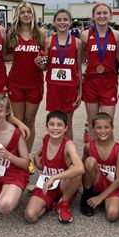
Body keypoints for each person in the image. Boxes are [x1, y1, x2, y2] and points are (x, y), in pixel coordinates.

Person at [24, 111, 84, 224]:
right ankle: (51, 203)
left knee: (75, 171)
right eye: (51, 124)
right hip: (46, 184)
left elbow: (80, 168)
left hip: (63, 184)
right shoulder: (46, 138)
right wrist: (37, 158)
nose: (55, 128)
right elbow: (40, 152)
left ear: (66, 128)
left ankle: (63, 202)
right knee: (30, 216)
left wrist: (54, 178)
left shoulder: (68, 144)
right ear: (46, 127)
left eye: (59, 125)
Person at [7, 1, 46, 155]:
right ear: (18, 14)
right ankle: (17, 154)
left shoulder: (40, 34)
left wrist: (42, 64)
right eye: (22, 12)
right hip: (15, 83)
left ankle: (26, 156)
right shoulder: (12, 34)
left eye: (28, 12)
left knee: (29, 121)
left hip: (34, 84)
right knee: (18, 120)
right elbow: (5, 55)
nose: (25, 15)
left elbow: (45, 62)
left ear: (33, 14)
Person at [80, 2, 119, 138]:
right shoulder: (85, 35)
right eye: (98, 13)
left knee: (107, 125)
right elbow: (79, 60)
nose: (102, 16)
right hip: (91, 83)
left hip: (109, 83)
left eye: (105, 13)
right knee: (93, 124)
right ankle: (93, 156)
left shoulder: (116, 35)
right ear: (93, 16)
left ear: (110, 15)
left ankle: (108, 158)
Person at [80, 112, 119, 222]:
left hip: (112, 186)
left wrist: (101, 197)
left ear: (112, 128)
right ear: (93, 129)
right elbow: (82, 167)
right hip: (95, 183)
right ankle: (86, 196)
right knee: (90, 161)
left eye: (106, 127)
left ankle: (110, 200)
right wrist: (78, 184)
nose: (103, 131)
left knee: (113, 215)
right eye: (99, 127)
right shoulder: (88, 147)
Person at [45, 9, 82, 139]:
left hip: (70, 86)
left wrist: (80, 90)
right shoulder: (48, 41)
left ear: (70, 22)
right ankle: (54, 154)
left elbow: (78, 68)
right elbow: (45, 66)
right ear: (54, 22)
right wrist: (39, 62)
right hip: (54, 86)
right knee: (54, 122)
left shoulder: (77, 42)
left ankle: (67, 154)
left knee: (67, 123)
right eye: (59, 20)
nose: (62, 22)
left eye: (65, 20)